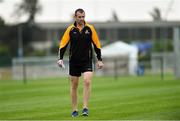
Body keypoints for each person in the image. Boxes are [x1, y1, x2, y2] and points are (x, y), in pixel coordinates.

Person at [57, 8, 104, 117]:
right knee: (74, 85)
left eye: (83, 17)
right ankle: (74, 110)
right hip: (74, 62)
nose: (82, 19)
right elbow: (63, 44)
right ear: (75, 17)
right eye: (79, 17)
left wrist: (99, 60)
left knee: (87, 81)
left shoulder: (90, 29)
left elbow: (97, 44)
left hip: (87, 61)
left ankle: (85, 108)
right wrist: (60, 58)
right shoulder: (70, 29)